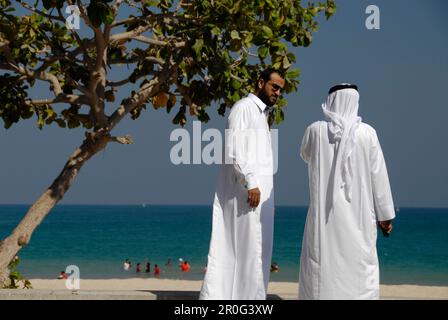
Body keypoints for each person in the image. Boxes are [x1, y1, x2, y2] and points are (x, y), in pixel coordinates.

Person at [298, 84, 395, 300]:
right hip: (359, 218)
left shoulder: (316, 130)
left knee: (321, 269)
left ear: (331, 101)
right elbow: (379, 176)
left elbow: (305, 154)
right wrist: (385, 216)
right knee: (359, 272)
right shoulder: (368, 134)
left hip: (323, 219)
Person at [200, 68, 285, 300]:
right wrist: (250, 183)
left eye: (280, 89)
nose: (277, 92)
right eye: (274, 86)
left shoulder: (262, 115)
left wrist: (269, 200)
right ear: (260, 83)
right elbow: (235, 149)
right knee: (244, 252)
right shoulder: (243, 108)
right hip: (245, 194)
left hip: (259, 199)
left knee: (257, 255)